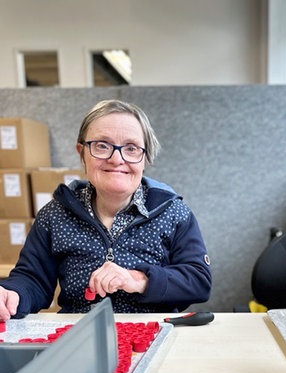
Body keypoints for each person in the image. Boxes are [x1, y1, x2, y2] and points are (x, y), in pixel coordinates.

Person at [0, 99, 212, 319]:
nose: (116, 158)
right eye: (102, 145)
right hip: (82, 340)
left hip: (155, 336)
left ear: (145, 158)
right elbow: (32, 279)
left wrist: (139, 280)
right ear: (82, 152)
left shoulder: (173, 212)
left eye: (131, 148)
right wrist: (11, 294)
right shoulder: (55, 215)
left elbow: (198, 281)